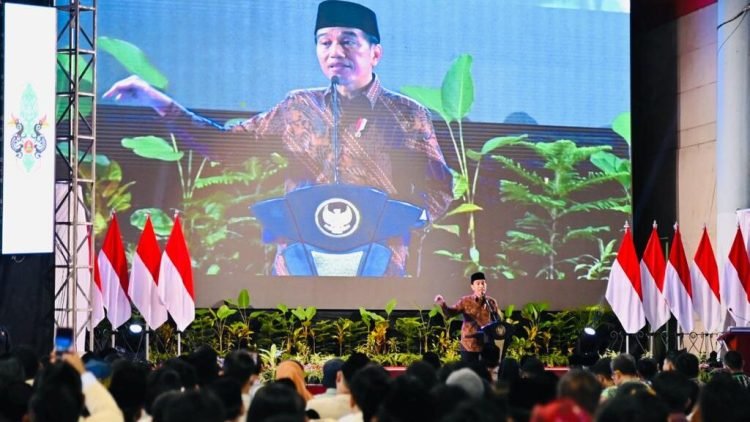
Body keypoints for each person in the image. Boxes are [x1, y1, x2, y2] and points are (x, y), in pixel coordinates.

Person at [103, 0, 453, 277]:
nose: (335, 51)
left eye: (348, 41)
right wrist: (157, 101)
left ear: (375, 52)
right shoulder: (298, 107)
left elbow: (439, 186)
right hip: (301, 260)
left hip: (379, 262)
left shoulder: (407, 114)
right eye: (325, 42)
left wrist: (406, 222)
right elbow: (225, 147)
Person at [434, 272, 501, 362]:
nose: (481, 286)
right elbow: (451, 313)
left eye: (483, 283)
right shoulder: (465, 301)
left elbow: (497, 321)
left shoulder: (491, 302)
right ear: (472, 286)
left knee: (484, 370)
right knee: (469, 370)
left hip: (486, 346)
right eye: (478, 284)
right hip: (469, 345)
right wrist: (443, 305)